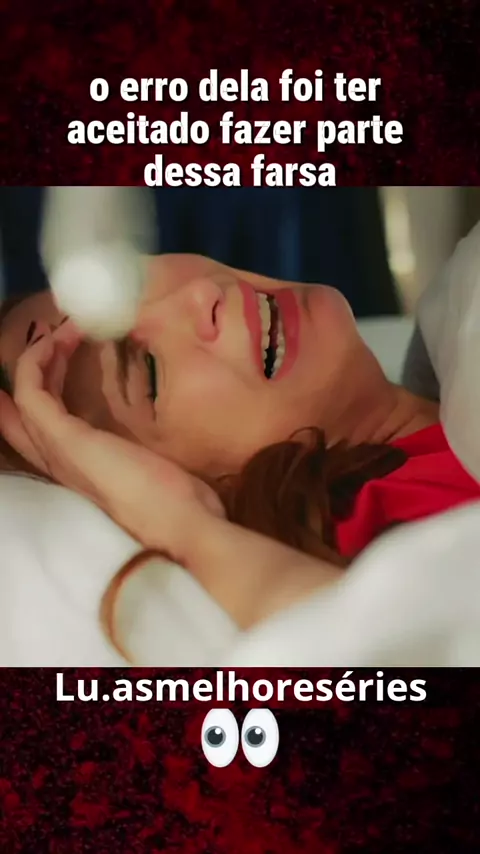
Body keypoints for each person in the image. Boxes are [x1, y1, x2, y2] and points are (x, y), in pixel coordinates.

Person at [1, 254, 480, 660]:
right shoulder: (388, 554)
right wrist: (184, 525)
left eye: (131, 283)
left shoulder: (457, 328)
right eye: (147, 370)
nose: (201, 294)